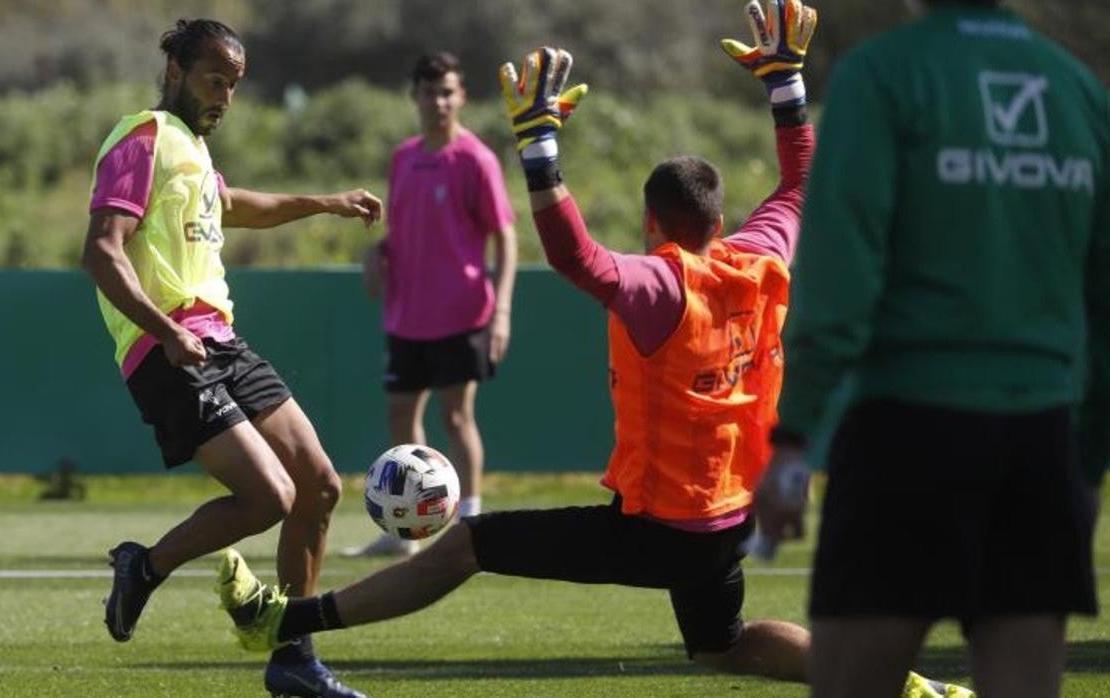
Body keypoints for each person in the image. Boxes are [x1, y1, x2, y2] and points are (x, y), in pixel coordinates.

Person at [213, 6, 969, 695]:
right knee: (722, 645)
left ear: (650, 221)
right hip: (730, 510)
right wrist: (785, 83)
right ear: (718, 215)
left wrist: (540, 146)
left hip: (665, 528)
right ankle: (909, 689)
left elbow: (575, 257)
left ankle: (281, 624)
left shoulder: (662, 287)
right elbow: (803, 180)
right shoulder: (759, 254)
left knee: (465, 545)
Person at [752, 1, 1106, 696]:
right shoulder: (1074, 88)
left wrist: (792, 437)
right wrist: (1087, 458)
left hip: (908, 433)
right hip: (1042, 438)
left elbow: (840, 283)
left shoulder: (883, 75)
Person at [80, 18, 380, 698]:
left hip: (221, 341)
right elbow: (101, 250)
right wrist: (164, 330)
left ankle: (294, 659)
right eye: (215, 79)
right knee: (269, 496)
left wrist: (323, 203)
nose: (225, 96)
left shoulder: (189, 148)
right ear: (178, 71)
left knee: (320, 488)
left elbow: (236, 204)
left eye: (235, 85)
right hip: (167, 350)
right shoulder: (142, 139)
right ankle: (145, 567)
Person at [350, 51, 518, 557]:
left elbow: (505, 237)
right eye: (429, 92)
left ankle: (471, 523)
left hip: (462, 311)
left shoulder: (476, 159)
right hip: (407, 313)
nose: (439, 101)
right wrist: (377, 253)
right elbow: (401, 228)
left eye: (447, 91)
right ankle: (407, 529)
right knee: (401, 416)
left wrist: (502, 311)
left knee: (457, 417)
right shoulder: (403, 156)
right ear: (415, 97)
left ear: (461, 95)